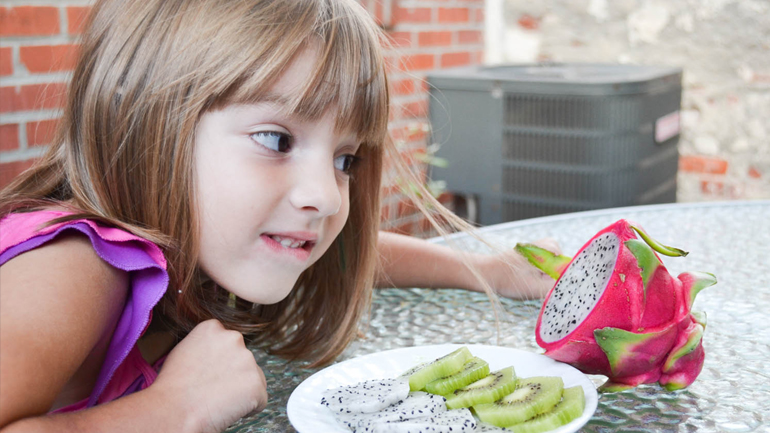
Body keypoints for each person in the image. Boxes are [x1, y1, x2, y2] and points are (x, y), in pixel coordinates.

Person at [0, 0, 559, 431]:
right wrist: (173, 410)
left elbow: (354, 248)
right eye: (275, 138)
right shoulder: (73, 269)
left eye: (345, 159)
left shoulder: (205, 237)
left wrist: (488, 270)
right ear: (140, 123)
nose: (328, 197)